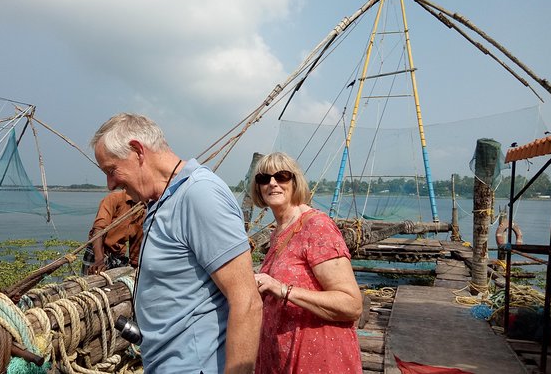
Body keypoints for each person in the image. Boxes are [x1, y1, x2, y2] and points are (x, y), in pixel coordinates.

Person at [91, 113, 262, 373]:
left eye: (111, 170)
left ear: (138, 151)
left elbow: (247, 301)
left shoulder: (199, 195)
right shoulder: (160, 200)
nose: (110, 184)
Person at [250, 152, 363, 373]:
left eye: (281, 176)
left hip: (317, 358)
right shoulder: (280, 231)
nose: (272, 183)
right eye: (264, 178)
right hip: (282, 357)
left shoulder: (316, 227)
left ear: (295, 182)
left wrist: (282, 289)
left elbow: (351, 305)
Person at [81, 190, 145, 275]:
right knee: (90, 283)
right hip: (98, 251)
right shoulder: (115, 198)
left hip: (117, 256)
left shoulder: (141, 211)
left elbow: (136, 246)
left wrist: (135, 269)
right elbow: (98, 229)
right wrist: (99, 260)